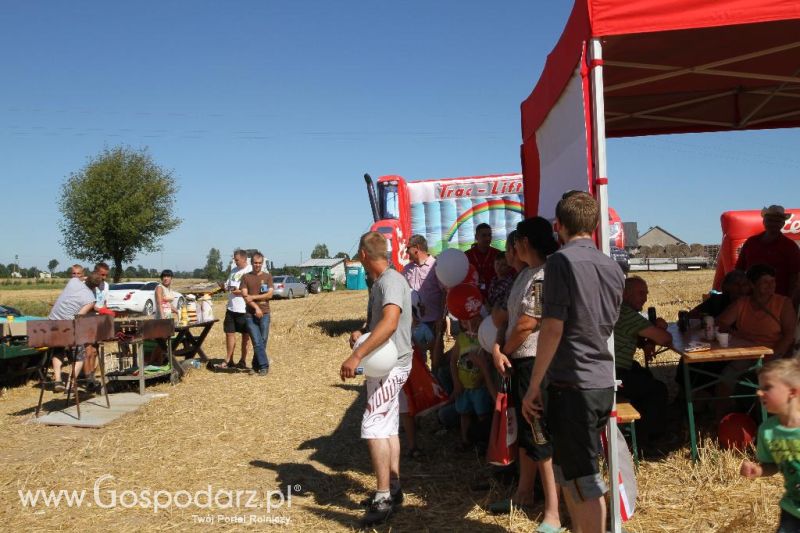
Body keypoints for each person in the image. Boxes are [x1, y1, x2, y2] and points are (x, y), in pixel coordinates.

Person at [522, 191, 625, 533]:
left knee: (583, 480)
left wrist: (534, 384)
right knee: (574, 475)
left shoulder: (559, 263)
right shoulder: (613, 266)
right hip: (599, 379)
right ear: (595, 227)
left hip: (573, 385)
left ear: (559, 226)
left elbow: (552, 327)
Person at [489, 217, 561, 532]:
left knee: (539, 434)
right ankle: (523, 493)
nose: (512, 247)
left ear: (526, 243)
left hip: (535, 363)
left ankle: (553, 513)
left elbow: (527, 323)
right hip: (517, 360)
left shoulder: (544, 276)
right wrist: (496, 348)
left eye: (516, 241)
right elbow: (507, 319)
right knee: (526, 433)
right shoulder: (524, 275)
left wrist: (502, 350)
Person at [340, 231, 412, 527]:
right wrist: (363, 333)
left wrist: (357, 357)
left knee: (373, 426)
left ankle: (383, 498)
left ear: (364, 255)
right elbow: (381, 322)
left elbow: (392, 321)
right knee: (388, 426)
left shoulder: (391, 281)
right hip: (387, 365)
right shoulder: (382, 282)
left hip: (391, 367)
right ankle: (394, 490)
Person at [740, 358, 800, 532]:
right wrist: (758, 471)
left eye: (767, 388)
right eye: (759, 388)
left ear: (793, 392)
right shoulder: (768, 431)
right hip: (792, 511)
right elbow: (772, 465)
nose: (759, 393)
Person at [613, 277, 671, 448]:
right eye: (641, 293)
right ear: (626, 294)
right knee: (657, 389)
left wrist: (646, 342)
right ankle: (651, 440)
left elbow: (629, 335)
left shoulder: (619, 310)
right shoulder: (628, 314)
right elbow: (665, 338)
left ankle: (643, 426)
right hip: (614, 373)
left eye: (646, 293)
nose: (645, 298)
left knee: (643, 375)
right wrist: (660, 327)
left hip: (610, 367)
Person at [402, 234, 445, 458]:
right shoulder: (406, 270)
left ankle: (440, 414)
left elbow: (445, 292)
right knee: (418, 368)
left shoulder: (436, 266)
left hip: (434, 323)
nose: (406, 251)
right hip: (415, 326)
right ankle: (420, 412)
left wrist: (442, 319)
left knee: (437, 368)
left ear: (417, 248)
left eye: (408, 248)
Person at [718, 264, 797, 359]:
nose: (771, 285)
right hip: (745, 354)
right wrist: (736, 334)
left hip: (773, 355)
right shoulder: (742, 303)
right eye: (765, 282)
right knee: (728, 373)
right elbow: (720, 323)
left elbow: (789, 335)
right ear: (752, 284)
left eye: (773, 281)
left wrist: (770, 357)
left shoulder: (784, 303)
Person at [48, 273, 102, 392]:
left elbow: (79, 277)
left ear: (86, 279)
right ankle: (70, 384)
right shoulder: (91, 299)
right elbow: (79, 316)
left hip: (52, 323)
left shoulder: (73, 281)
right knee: (80, 355)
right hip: (68, 326)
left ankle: (57, 380)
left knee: (58, 350)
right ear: (96, 287)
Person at [735, 205, 800, 303]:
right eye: (770, 220)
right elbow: (739, 270)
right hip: (751, 300)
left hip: (778, 301)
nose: (773, 224)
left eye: (777, 221)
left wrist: (790, 303)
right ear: (764, 222)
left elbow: (795, 278)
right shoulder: (751, 243)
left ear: (782, 224)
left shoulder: (790, 247)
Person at [450, 316, 495, 451]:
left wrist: (481, 379)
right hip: (463, 387)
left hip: (479, 387)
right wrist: (456, 382)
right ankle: (465, 441)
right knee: (464, 413)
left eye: (471, 318)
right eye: (464, 318)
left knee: (482, 414)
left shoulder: (483, 339)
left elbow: (488, 362)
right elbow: (453, 361)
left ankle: (483, 443)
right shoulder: (461, 338)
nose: (466, 321)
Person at [239, 252, 274, 376]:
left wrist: (252, 297)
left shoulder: (268, 277)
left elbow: (270, 294)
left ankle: (255, 365)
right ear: (251, 263)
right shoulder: (245, 277)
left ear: (262, 263)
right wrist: (256, 308)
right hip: (250, 314)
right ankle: (264, 366)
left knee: (262, 340)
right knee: (256, 341)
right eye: (255, 263)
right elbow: (244, 296)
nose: (257, 265)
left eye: (259, 263)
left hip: (265, 313)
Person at [217, 250, 251, 370]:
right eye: (234, 260)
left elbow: (252, 289)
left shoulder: (250, 271)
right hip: (231, 307)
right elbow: (228, 286)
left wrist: (241, 292)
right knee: (229, 334)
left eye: (237, 260)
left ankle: (242, 360)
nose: (235, 262)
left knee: (246, 336)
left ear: (244, 259)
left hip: (244, 309)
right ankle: (229, 359)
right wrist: (223, 286)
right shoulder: (233, 270)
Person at [466, 223, 501, 300]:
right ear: (476, 237)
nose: (488, 238)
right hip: (472, 298)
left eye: (489, 235)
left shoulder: (498, 254)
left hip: (494, 297)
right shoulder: (466, 256)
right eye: (484, 235)